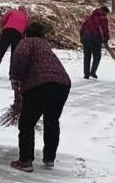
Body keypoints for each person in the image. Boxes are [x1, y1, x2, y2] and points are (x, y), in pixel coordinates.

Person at [8, 22, 72, 172]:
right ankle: (49, 157)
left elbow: (20, 57)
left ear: (26, 33)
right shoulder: (44, 45)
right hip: (62, 84)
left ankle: (25, 160)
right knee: (51, 120)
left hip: (39, 85)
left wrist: (16, 78)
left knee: (27, 123)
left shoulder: (26, 42)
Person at [0, 5, 28, 78]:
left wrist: (4, 27)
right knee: (14, 55)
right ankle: (12, 75)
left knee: (0, 52)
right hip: (18, 34)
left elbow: (3, 20)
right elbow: (26, 29)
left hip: (7, 31)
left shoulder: (12, 11)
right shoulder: (26, 17)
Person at [79, 5, 111, 79]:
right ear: (104, 11)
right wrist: (106, 39)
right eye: (106, 13)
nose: (106, 15)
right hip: (95, 39)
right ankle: (93, 72)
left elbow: (83, 27)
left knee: (87, 57)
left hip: (85, 38)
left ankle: (86, 74)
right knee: (97, 56)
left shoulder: (91, 17)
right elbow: (105, 30)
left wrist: (82, 37)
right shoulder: (103, 18)